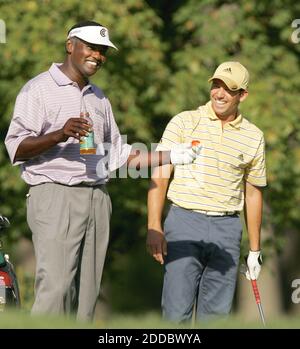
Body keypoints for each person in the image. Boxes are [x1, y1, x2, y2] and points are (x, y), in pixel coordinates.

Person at [4, 20, 199, 321]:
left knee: (87, 294)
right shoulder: (38, 89)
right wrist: (59, 134)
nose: (98, 55)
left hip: (97, 198)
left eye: (103, 51)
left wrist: (172, 154)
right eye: (92, 48)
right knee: (56, 289)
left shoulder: (99, 97)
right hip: (56, 195)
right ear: (70, 46)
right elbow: (16, 148)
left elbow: (119, 157)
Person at [147, 61, 267, 322]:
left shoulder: (253, 136)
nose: (219, 93)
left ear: (242, 95)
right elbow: (160, 174)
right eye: (216, 85)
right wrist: (154, 225)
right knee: (176, 314)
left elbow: (254, 193)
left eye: (228, 89)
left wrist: (255, 250)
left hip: (227, 229)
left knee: (216, 318)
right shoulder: (184, 121)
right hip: (184, 222)